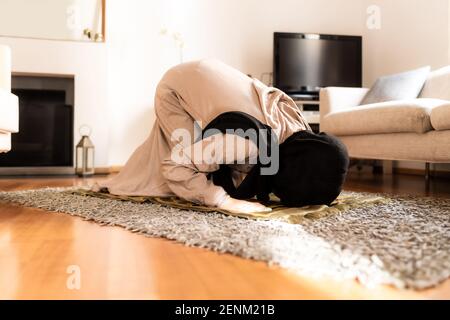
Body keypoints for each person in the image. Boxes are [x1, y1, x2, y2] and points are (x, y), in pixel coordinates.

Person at [100, 59, 348, 214]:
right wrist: (224, 201)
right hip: (175, 87)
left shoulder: (295, 127)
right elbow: (175, 166)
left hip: (204, 71)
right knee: (179, 168)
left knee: (208, 158)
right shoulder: (247, 142)